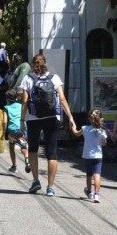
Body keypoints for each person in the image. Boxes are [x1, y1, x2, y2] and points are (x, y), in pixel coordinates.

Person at [19, 53, 78, 196]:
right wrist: (70, 117)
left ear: (33, 65)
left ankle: (35, 181)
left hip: (33, 119)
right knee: (52, 153)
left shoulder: (28, 78)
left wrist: (22, 119)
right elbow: (62, 99)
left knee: (32, 150)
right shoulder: (54, 78)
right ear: (46, 63)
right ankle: (50, 187)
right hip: (52, 118)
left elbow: (25, 101)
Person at [72, 110, 108, 203]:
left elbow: (76, 133)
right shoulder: (102, 131)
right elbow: (104, 143)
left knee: (89, 175)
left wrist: (73, 126)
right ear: (100, 119)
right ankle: (97, 195)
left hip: (87, 156)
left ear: (89, 118)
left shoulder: (85, 128)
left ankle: (89, 192)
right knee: (97, 175)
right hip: (98, 156)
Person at [4, 87, 29, 173]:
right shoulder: (21, 106)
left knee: (11, 146)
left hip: (12, 130)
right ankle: (27, 160)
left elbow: (4, 121)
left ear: (7, 99)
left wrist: (4, 132)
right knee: (23, 145)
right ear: (17, 97)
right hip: (22, 128)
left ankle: (14, 166)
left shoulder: (6, 107)